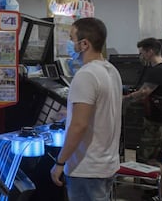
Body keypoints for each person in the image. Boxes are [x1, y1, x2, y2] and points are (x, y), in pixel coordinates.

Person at [50, 17, 123, 201]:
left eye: (71, 37)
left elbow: (79, 126)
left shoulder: (86, 75)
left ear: (84, 44)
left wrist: (60, 161)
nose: (68, 43)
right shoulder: (111, 71)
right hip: (106, 164)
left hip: (86, 169)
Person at [123, 37, 162, 201]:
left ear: (150, 51)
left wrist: (123, 98)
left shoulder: (158, 70)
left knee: (147, 156)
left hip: (158, 122)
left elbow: (143, 92)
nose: (141, 56)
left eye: (142, 53)